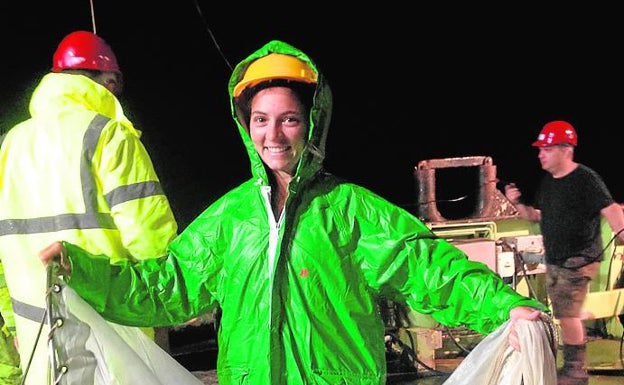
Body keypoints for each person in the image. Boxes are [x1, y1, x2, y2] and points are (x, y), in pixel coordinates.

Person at [39, 39, 550, 384]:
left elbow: (433, 271)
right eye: (260, 119)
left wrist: (503, 310)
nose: (273, 134)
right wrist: (81, 269)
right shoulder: (229, 220)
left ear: (312, 123)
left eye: (288, 119)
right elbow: (165, 289)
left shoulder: (350, 210)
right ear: (245, 125)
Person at [0, 30, 178, 385]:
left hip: (38, 342)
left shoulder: (11, 144)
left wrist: (12, 319)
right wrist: (172, 307)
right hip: (115, 344)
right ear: (109, 83)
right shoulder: (109, 134)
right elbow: (151, 240)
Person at [504, 120, 624, 385]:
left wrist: (622, 232)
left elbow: (611, 208)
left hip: (579, 259)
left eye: (546, 149)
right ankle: (572, 362)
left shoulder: (585, 179)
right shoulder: (549, 183)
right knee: (565, 312)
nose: (540, 154)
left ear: (565, 149)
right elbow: (537, 215)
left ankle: (575, 370)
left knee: (567, 313)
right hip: (557, 261)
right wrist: (517, 203)